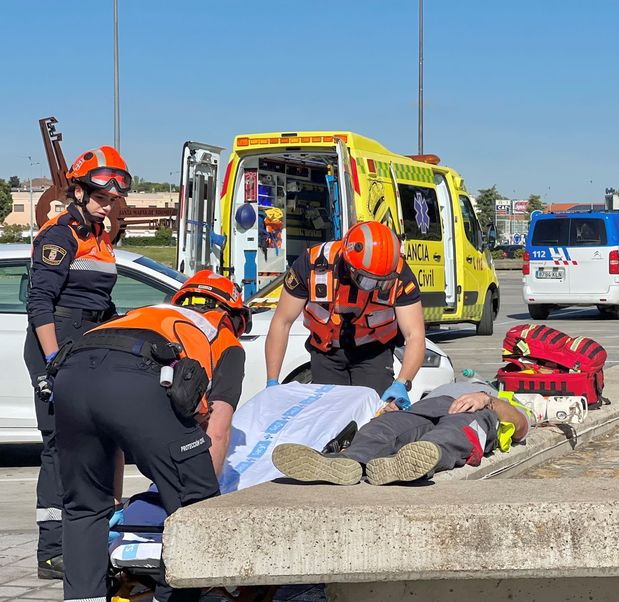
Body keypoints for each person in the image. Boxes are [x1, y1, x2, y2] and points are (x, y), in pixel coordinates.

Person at [53, 271, 250, 602]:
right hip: (139, 376)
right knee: (195, 509)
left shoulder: (148, 314)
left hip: (71, 373)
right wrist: (200, 488)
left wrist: (113, 500)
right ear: (232, 314)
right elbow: (217, 426)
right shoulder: (224, 337)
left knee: (85, 507)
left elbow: (108, 433)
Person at [23, 145, 131, 579]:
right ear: (81, 191)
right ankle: (53, 550)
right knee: (59, 446)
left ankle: (95, 534)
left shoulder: (99, 237)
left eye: (113, 199)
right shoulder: (60, 233)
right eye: (102, 198)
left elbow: (99, 301)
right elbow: (40, 303)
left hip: (87, 343)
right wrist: (51, 364)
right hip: (57, 341)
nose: (109, 206)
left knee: (96, 441)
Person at [265, 221, 426, 410]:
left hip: (373, 353)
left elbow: (415, 335)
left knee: (373, 417)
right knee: (329, 417)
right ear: (349, 265)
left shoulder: (399, 274)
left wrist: (402, 383)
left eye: (381, 282)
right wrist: (272, 382)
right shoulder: (312, 264)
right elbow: (282, 322)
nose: (373, 286)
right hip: (326, 352)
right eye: (366, 280)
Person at [271, 382, 530, 485]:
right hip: (429, 403)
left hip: (477, 412)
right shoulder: (447, 385)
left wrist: (486, 398)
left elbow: (521, 426)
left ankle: (415, 461)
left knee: (455, 432)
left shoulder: (498, 396)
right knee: (383, 426)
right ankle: (347, 462)